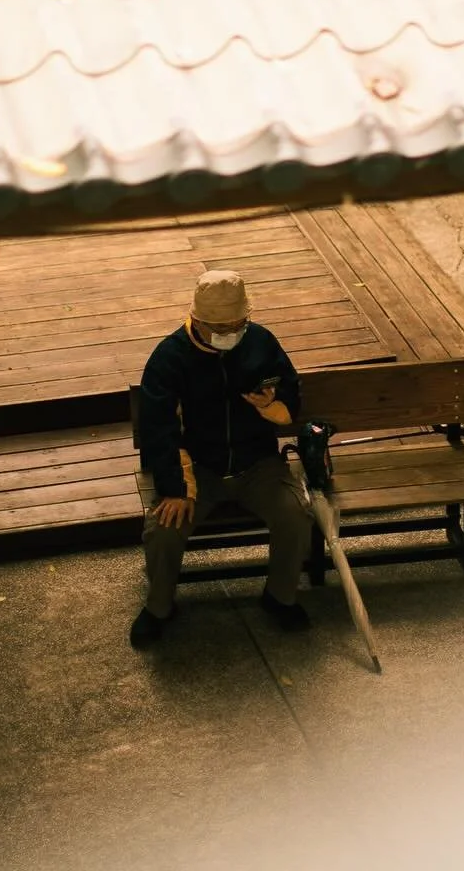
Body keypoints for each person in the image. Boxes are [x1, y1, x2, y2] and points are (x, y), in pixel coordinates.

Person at [130, 269, 313, 648]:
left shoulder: (261, 341)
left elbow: (290, 390)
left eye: (238, 322)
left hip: (258, 463)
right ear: (197, 320)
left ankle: (280, 596)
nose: (231, 330)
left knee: (295, 514)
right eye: (220, 325)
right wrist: (176, 488)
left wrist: (273, 406)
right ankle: (159, 607)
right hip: (198, 468)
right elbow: (159, 429)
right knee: (163, 529)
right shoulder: (169, 358)